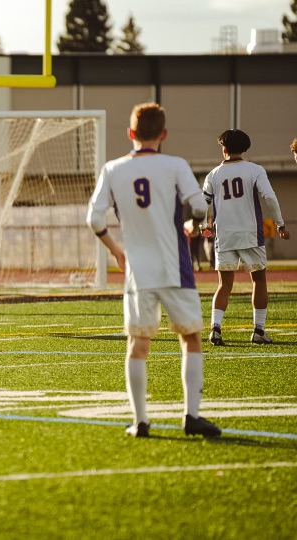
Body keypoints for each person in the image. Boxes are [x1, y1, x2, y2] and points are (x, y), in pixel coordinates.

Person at [86, 102, 220, 439]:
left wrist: (116, 251)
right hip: (175, 267)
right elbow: (200, 205)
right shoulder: (175, 164)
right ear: (163, 134)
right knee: (190, 338)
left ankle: (141, 421)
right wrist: (192, 223)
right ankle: (191, 416)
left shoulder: (113, 169)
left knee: (138, 343)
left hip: (138, 270)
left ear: (130, 133)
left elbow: (94, 219)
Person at [201, 129, 291, 346]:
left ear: (224, 149)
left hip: (224, 234)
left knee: (224, 284)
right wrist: (280, 224)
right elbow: (269, 196)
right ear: (245, 147)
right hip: (251, 233)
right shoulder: (255, 170)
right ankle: (259, 331)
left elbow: (202, 203)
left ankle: (216, 329)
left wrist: (204, 225)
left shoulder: (213, 174)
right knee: (259, 280)